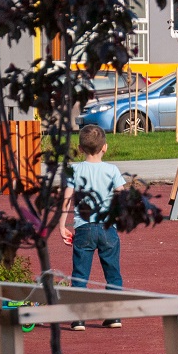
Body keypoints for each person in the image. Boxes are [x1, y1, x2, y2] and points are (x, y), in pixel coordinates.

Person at [59, 124, 125, 330]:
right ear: (104, 147)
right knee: (112, 271)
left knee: (80, 272)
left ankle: (79, 317)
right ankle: (113, 315)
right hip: (107, 227)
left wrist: (62, 225)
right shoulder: (112, 170)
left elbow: (67, 198)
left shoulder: (75, 170)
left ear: (80, 149)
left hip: (84, 227)